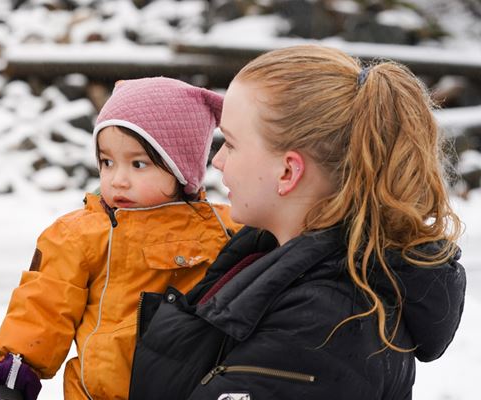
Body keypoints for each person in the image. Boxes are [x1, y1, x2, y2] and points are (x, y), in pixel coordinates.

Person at [129, 44, 467, 399]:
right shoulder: (264, 261)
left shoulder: (324, 325)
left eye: (230, 143)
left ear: (288, 171)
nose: (218, 161)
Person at [0, 77, 241, 400]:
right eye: (107, 162)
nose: (118, 180)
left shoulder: (225, 230)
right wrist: (12, 377)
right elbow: (42, 308)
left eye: (138, 164)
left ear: (182, 168)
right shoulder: (81, 235)